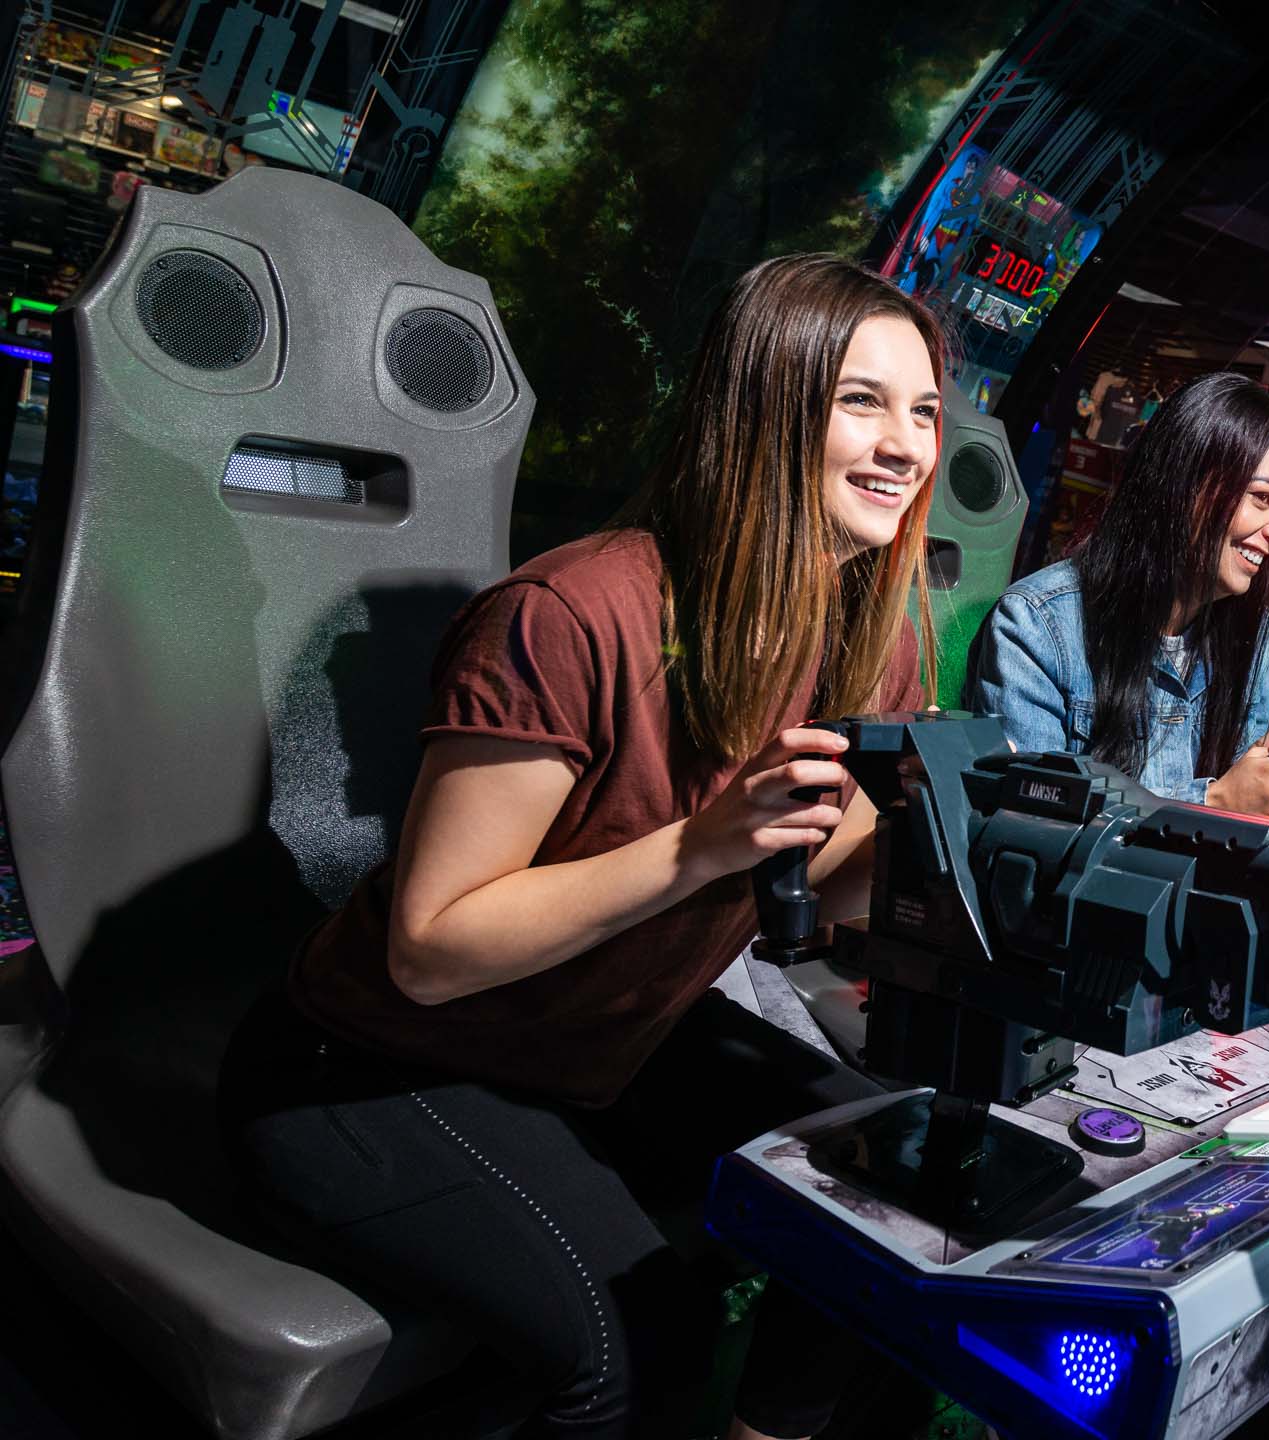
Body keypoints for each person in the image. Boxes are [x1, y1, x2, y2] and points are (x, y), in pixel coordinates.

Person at [219, 256, 949, 1439]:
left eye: (922, 410)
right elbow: (430, 949)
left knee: (900, 1202)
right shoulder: (570, 614)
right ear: (765, 409)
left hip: (602, 1044)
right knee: (632, 1342)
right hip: (369, 1067)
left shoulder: (869, 647)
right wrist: (700, 847)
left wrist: (937, 853)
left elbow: (824, 878)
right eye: (859, 401)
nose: (906, 446)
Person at [969, 370, 1269, 822]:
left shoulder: (1254, 641)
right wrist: (1209, 803)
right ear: (1186, 483)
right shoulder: (1039, 625)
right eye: (1262, 498)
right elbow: (1028, 819)